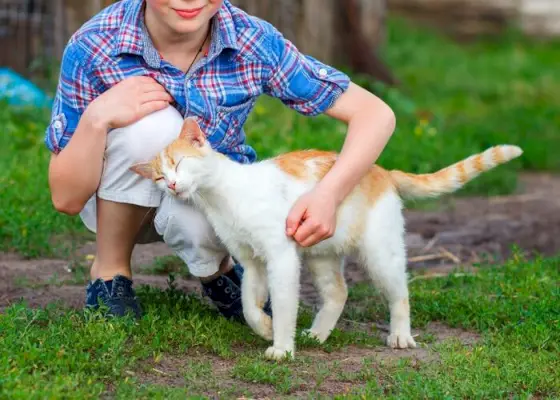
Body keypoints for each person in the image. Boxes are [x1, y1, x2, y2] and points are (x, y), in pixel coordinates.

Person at [45, 0, 396, 320]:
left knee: (219, 191)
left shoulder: (251, 40)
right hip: (119, 194)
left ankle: (219, 271)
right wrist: (97, 117)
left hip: (201, 196)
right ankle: (109, 274)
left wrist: (329, 195)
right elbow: (66, 198)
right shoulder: (95, 44)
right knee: (153, 128)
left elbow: (375, 114)